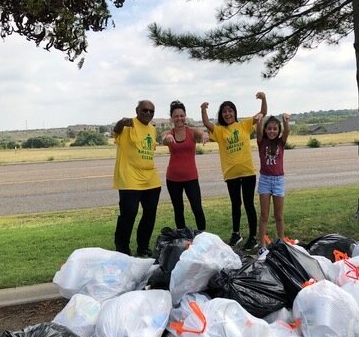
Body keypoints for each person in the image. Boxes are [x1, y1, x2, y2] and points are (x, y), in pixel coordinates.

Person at [201, 92, 267, 251]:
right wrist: (203, 109)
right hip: (231, 174)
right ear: (221, 115)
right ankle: (236, 234)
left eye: (230, 110)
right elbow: (206, 123)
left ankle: (252, 237)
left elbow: (262, 113)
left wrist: (263, 99)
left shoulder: (244, 125)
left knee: (249, 204)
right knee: (235, 204)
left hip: (247, 172)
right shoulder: (219, 131)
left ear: (234, 112)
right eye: (224, 111)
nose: (228, 113)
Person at [112, 99, 161, 257]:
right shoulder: (128, 125)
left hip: (150, 179)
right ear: (137, 110)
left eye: (151, 111)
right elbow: (116, 131)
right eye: (144, 110)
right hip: (130, 179)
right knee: (129, 214)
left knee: (150, 213)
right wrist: (121, 122)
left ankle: (143, 247)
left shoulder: (152, 129)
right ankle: (122, 249)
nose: (148, 113)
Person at [162, 100, 208, 231]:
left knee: (197, 208)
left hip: (191, 178)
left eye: (181, 115)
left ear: (185, 116)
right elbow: (164, 138)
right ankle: (181, 235)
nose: (179, 118)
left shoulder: (191, 131)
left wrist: (204, 134)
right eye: (176, 116)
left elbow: (202, 133)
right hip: (173, 179)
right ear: (171, 118)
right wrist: (167, 138)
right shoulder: (169, 133)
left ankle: (202, 235)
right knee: (178, 209)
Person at [256, 113, 291, 258]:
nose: (272, 131)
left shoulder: (280, 142)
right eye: (269, 128)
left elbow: (287, 131)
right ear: (265, 130)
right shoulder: (261, 141)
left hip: (278, 180)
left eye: (275, 129)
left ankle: (281, 241)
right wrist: (259, 121)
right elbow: (258, 131)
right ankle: (262, 244)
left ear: (278, 130)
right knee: (264, 215)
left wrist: (285, 121)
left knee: (279, 215)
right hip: (265, 180)